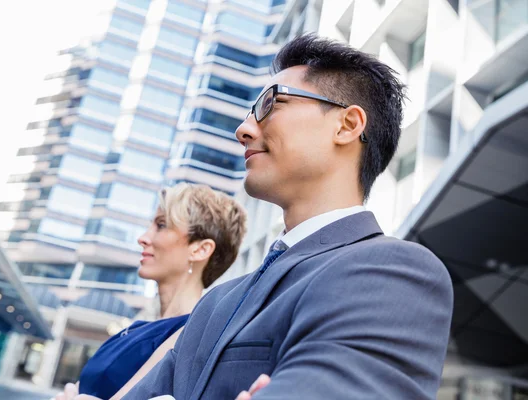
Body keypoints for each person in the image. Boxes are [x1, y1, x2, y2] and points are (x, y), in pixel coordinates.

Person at [120, 34, 454, 400]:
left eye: (269, 105)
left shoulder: (395, 273)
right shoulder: (215, 303)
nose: (243, 130)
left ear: (346, 125)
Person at [51, 183, 247, 400]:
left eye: (161, 225)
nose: (143, 238)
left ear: (200, 249)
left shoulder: (189, 335)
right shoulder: (140, 329)